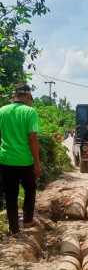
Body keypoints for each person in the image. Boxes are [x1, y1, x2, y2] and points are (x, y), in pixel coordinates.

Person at [0, 83, 41, 234]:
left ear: (14, 96)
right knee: (30, 190)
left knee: (10, 195)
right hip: (24, 161)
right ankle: (28, 221)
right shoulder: (30, 112)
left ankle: (14, 228)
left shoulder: (2, 111)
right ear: (27, 96)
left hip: (5, 161)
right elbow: (32, 139)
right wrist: (37, 163)